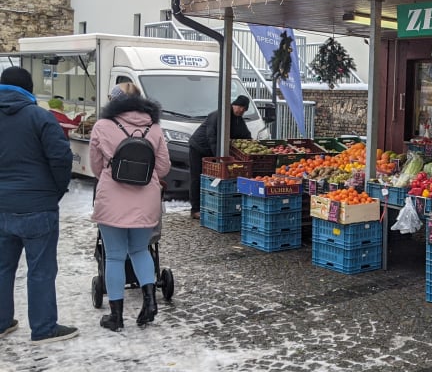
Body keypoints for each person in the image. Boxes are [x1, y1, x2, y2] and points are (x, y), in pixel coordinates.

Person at [0, 67, 78, 344]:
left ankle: (2, 322)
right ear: (29, 89)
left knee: (2, 267)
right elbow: (61, 158)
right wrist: (55, 191)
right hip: (38, 206)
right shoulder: (40, 117)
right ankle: (44, 328)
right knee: (41, 269)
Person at [89, 83, 171, 331]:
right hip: (146, 200)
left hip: (112, 200)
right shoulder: (153, 127)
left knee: (114, 255)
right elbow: (163, 168)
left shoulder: (102, 126)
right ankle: (150, 302)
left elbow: (95, 166)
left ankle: (116, 316)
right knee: (140, 250)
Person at [188, 95, 252, 219]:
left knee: (211, 179)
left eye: (244, 109)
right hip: (199, 147)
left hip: (212, 151)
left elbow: (245, 135)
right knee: (197, 177)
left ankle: (208, 206)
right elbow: (212, 138)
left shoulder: (238, 120)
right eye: (240, 107)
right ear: (234, 105)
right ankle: (195, 209)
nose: (241, 111)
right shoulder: (218, 115)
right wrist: (220, 158)